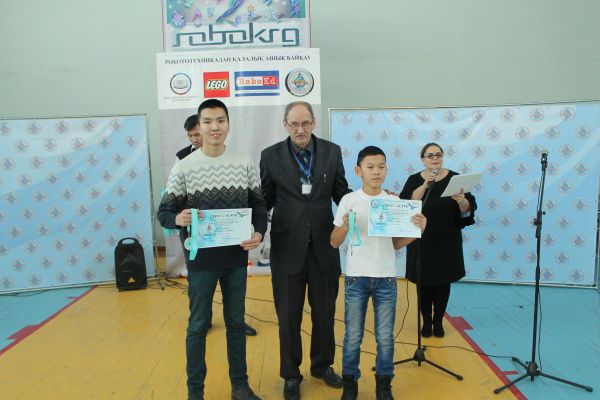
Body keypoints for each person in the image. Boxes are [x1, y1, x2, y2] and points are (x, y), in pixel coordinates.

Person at [158, 99, 267, 400]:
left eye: (220, 120)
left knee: (236, 323)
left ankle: (240, 387)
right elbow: (164, 212)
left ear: (228, 123)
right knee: (197, 327)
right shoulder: (184, 167)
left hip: (235, 258)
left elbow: (259, 205)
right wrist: (177, 218)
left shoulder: (244, 162)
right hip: (201, 262)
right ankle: (195, 392)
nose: (214, 127)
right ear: (200, 126)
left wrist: (259, 232)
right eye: (208, 121)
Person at [260, 101, 351, 400]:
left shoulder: (332, 152)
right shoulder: (270, 156)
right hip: (287, 248)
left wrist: (368, 200)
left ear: (313, 122)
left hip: (324, 245)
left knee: (325, 313)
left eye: (305, 123)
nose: (300, 129)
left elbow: (341, 193)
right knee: (288, 316)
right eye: (294, 124)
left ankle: (322, 365)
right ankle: (290, 375)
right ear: (285, 124)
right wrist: (249, 225)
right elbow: (264, 200)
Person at [330, 146, 427, 400]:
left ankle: (384, 384)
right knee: (353, 336)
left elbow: (396, 244)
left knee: (385, 337)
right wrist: (345, 226)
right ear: (358, 170)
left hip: (386, 278)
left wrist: (418, 231)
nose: (376, 172)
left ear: (386, 169)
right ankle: (350, 383)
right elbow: (334, 241)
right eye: (370, 167)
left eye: (381, 167)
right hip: (356, 278)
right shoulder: (349, 201)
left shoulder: (393, 202)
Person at [176, 113, 258, 337]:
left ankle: (236, 321)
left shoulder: (237, 160)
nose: (195, 138)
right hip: (198, 238)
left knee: (234, 299)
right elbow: (173, 201)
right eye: (191, 135)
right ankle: (204, 320)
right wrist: (180, 217)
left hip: (231, 243)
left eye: (197, 133)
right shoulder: (182, 160)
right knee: (200, 291)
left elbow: (254, 201)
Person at [399, 142, 477, 338]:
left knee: (443, 283)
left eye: (438, 154)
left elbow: (467, 209)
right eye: (430, 155)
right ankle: (426, 321)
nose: (435, 158)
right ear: (423, 159)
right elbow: (407, 203)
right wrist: (425, 185)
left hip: (447, 241)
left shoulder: (455, 179)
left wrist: (461, 200)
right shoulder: (414, 179)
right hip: (421, 241)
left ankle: (438, 321)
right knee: (424, 284)